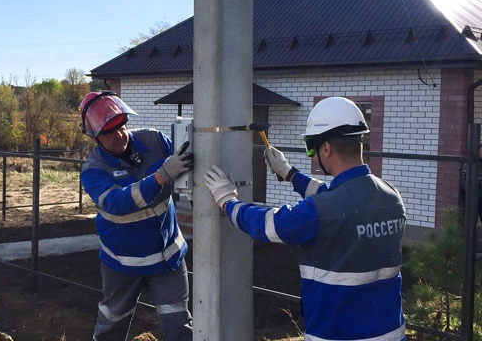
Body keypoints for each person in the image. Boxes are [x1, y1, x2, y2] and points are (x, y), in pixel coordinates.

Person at [204, 97, 407, 340]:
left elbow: (271, 224)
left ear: (326, 148)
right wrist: (290, 174)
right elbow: (336, 199)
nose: (312, 156)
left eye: (311, 149)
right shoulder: (390, 196)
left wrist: (228, 201)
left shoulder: (321, 212)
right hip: (391, 333)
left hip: (337, 335)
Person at [79, 90, 194, 341]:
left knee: (179, 326)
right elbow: (118, 203)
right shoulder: (94, 171)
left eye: (120, 126)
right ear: (94, 137)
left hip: (168, 259)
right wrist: (161, 176)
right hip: (123, 265)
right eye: (108, 131)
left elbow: (186, 166)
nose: (118, 135)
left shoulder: (154, 141)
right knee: (112, 327)